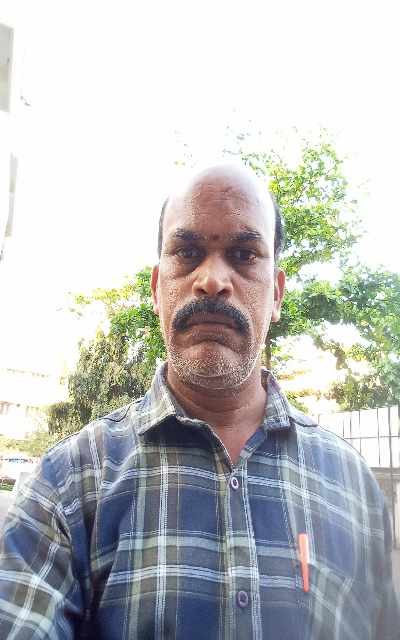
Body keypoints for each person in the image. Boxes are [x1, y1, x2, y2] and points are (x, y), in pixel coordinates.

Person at [0, 163, 398, 639]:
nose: (211, 280)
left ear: (275, 294)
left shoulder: (353, 486)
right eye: (187, 252)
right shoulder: (66, 486)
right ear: (157, 289)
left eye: (244, 254)